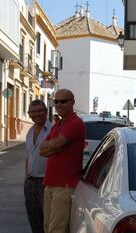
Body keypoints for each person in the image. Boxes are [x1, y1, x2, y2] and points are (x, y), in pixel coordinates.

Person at [39, 89, 86, 233]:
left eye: (63, 101)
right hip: (50, 183)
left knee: (56, 229)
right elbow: (42, 150)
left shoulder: (75, 123)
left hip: (64, 185)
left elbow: (55, 144)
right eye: (56, 101)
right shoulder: (58, 125)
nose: (58, 105)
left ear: (72, 102)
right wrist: (54, 146)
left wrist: (53, 145)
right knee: (47, 227)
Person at [24, 100, 52, 233]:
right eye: (33, 112)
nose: (37, 114)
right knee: (34, 220)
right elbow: (28, 157)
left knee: (48, 221)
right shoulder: (30, 132)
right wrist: (26, 179)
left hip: (46, 183)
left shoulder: (52, 130)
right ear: (29, 114)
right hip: (30, 183)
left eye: (40, 111)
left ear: (46, 112)